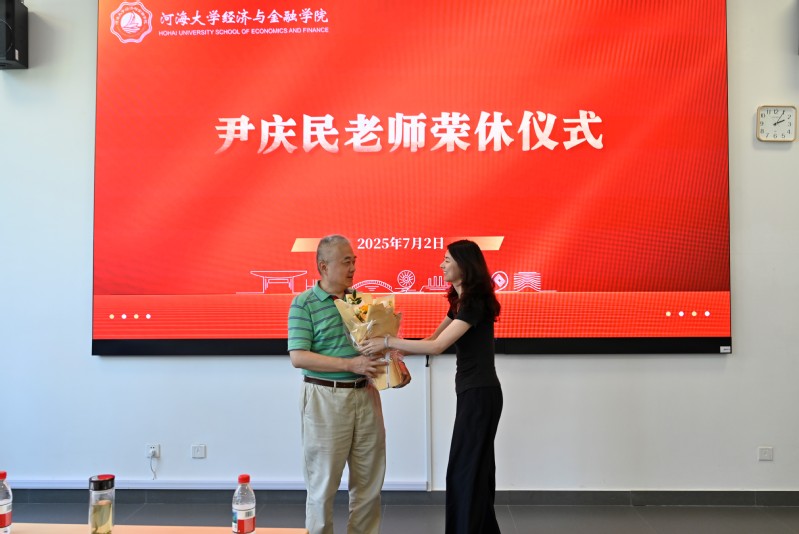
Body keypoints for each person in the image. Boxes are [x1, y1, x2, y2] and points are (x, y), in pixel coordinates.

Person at [360, 239, 503, 534]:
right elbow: (431, 340)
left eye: (447, 260)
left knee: (467, 471)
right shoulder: (460, 303)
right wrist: (395, 351)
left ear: (465, 264)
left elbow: (437, 347)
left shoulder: (474, 303)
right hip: (473, 393)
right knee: (473, 470)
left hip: (480, 393)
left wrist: (386, 341)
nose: (441, 265)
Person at [288, 234, 390, 534]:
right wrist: (350, 365)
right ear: (324, 266)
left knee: (369, 484)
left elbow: (371, 347)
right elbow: (299, 356)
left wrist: (392, 364)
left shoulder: (360, 301)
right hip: (325, 397)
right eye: (346, 262)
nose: (353, 268)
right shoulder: (304, 303)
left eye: (354, 261)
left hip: (366, 395)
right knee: (323, 485)